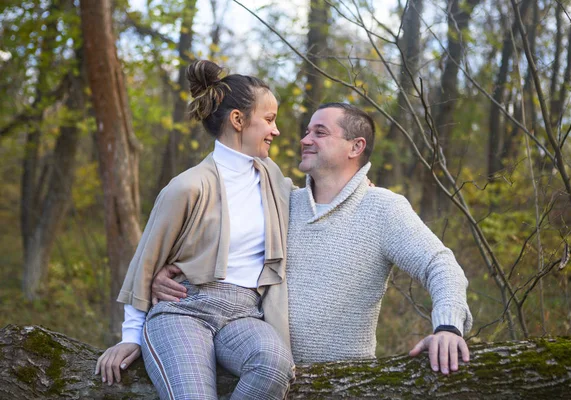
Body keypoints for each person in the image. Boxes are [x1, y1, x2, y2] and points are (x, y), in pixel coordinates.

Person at [153, 102, 473, 375]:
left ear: (355, 147)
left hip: (344, 381)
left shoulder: (382, 208)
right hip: (259, 369)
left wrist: (447, 326)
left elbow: (439, 265)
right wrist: (167, 274)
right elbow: (214, 242)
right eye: (307, 131)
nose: (305, 139)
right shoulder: (280, 201)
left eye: (320, 133)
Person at [95, 60, 295, 400]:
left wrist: (355, 185)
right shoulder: (187, 186)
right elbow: (147, 260)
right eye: (269, 119)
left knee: (274, 364)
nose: (276, 131)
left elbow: (310, 201)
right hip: (184, 310)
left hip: (244, 315)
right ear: (238, 120)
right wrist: (131, 334)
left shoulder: (272, 178)